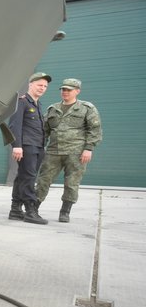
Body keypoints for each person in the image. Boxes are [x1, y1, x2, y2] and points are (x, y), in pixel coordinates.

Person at [35, 78, 103, 222]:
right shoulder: (53, 108)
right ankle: (34, 208)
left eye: (69, 90)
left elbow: (94, 129)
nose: (65, 92)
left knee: (72, 182)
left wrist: (88, 148)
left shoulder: (86, 108)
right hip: (54, 151)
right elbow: (45, 131)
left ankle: (65, 212)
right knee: (43, 180)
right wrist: (39, 147)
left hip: (76, 152)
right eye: (63, 89)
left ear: (77, 91)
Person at [6, 72, 51, 224]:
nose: (42, 88)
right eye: (39, 85)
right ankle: (31, 211)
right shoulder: (22, 102)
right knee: (29, 178)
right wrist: (17, 146)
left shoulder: (38, 104)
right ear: (30, 84)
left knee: (23, 177)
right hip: (27, 146)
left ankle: (15, 210)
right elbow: (14, 126)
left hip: (38, 146)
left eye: (45, 86)